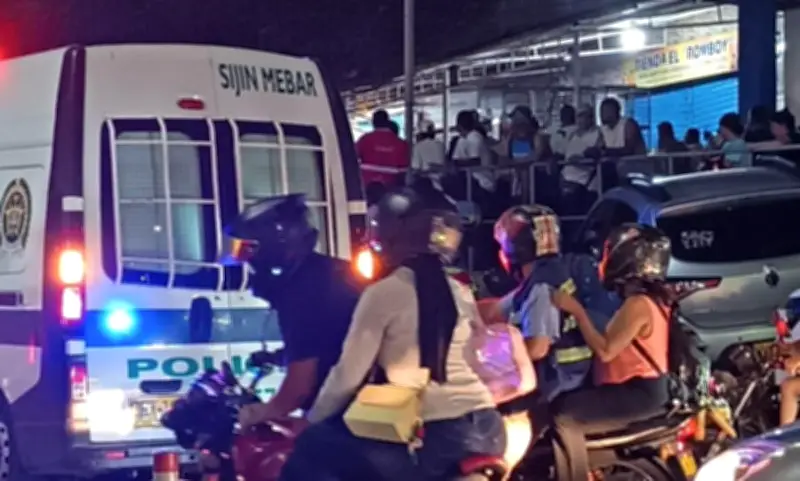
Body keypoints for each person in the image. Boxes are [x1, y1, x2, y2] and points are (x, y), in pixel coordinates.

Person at [278, 188, 507, 481]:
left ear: (391, 232)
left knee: (313, 445)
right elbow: (475, 357)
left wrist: (312, 419)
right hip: (488, 426)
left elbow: (348, 375)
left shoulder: (385, 292)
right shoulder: (461, 292)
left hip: (432, 437)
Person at [549, 224, 684, 481]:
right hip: (643, 391)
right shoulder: (652, 300)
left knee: (563, 415)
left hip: (638, 394)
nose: (603, 262)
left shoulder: (638, 304)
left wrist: (576, 311)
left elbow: (605, 351)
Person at [226, 194, 363, 426]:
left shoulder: (301, 292)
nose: (246, 262)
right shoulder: (325, 272)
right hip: (355, 404)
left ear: (271, 247)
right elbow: (327, 343)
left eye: (247, 251)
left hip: (346, 414)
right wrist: (278, 358)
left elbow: (299, 387)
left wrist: (260, 412)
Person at [356, 109, 410, 205]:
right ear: (387, 121)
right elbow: (403, 171)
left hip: (366, 188)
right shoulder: (401, 143)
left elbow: (352, 158)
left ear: (373, 122)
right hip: (391, 189)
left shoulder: (365, 139)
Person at [595, 97, 646, 186]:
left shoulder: (628, 124)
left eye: (605, 111)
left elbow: (629, 150)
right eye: (601, 111)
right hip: (613, 168)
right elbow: (599, 147)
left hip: (633, 167)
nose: (601, 114)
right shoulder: (602, 129)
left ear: (616, 111)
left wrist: (606, 152)